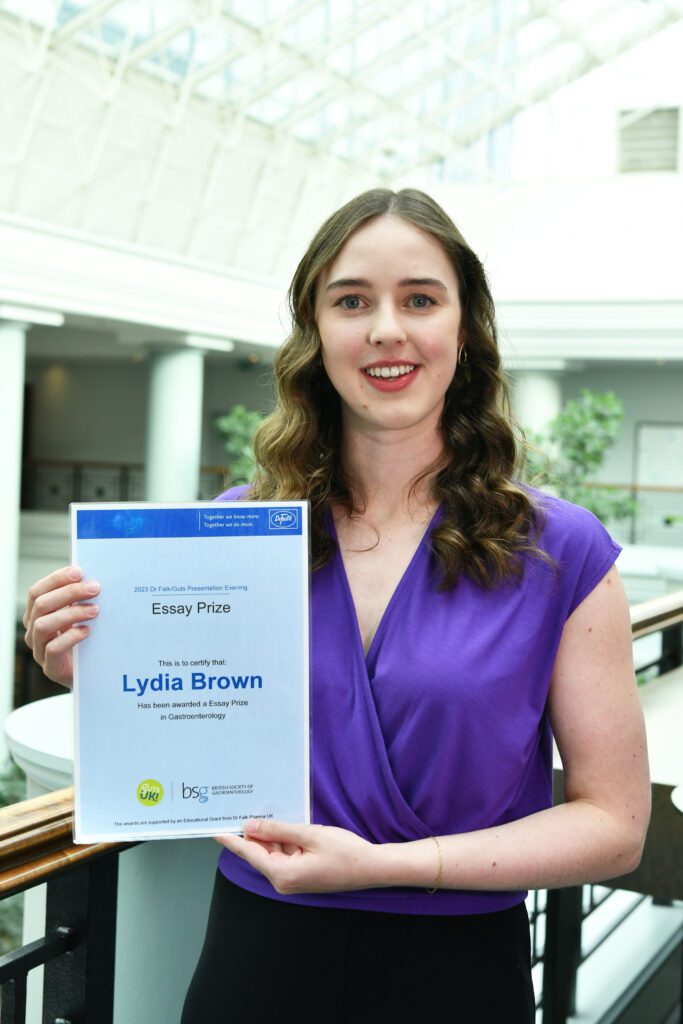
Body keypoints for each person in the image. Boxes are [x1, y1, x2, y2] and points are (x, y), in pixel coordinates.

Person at [23, 188, 650, 1023]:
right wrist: (98, 665)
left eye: (419, 299)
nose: (385, 329)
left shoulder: (557, 548)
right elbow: (188, 740)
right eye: (351, 301)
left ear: (465, 329)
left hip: (458, 978)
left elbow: (614, 825)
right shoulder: (234, 534)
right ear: (315, 334)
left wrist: (388, 866)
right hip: (256, 964)